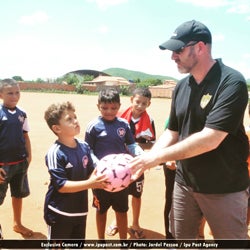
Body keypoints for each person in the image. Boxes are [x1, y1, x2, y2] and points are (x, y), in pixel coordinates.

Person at [129, 20, 249, 239]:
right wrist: (149, 156)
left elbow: (211, 138)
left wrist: (155, 159)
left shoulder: (231, 82)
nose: (173, 56)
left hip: (224, 187)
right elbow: (172, 131)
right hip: (185, 184)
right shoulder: (181, 86)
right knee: (182, 240)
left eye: (178, 50)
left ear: (200, 47)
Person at [85, 88, 143, 240]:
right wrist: (101, 165)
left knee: (122, 211)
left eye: (113, 108)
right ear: (98, 106)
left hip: (122, 177)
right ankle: (101, 241)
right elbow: (88, 150)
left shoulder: (123, 124)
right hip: (101, 179)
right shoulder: (93, 126)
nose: (109, 111)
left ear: (119, 106)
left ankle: (123, 242)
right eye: (105, 108)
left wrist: (141, 155)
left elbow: (131, 145)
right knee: (100, 210)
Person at [43, 101, 107, 239]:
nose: (75, 121)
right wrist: (91, 183)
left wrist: (110, 174)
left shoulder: (84, 146)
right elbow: (62, 186)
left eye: (75, 117)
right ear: (57, 128)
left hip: (80, 211)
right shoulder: (55, 153)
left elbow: (92, 170)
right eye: (69, 119)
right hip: (59, 212)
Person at [106, 87, 155, 239]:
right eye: (137, 102)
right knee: (120, 193)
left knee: (136, 195)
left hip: (138, 164)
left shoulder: (150, 121)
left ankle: (135, 223)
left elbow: (152, 143)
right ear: (131, 100)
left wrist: (135, 146)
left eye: (144, 103)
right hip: (119, 164)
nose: (140, 106)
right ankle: (117, 220)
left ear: (149, 104)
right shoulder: (119, 117)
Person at [0, 78, 33, 238]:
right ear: (1, 95)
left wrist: (29, 157)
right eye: (10, 93)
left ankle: (17, 223)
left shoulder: (22, 114)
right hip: (2, 166)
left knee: (18, 195)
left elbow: (25, 136)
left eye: (17, 92)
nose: (14, 96)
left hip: (20, 163)